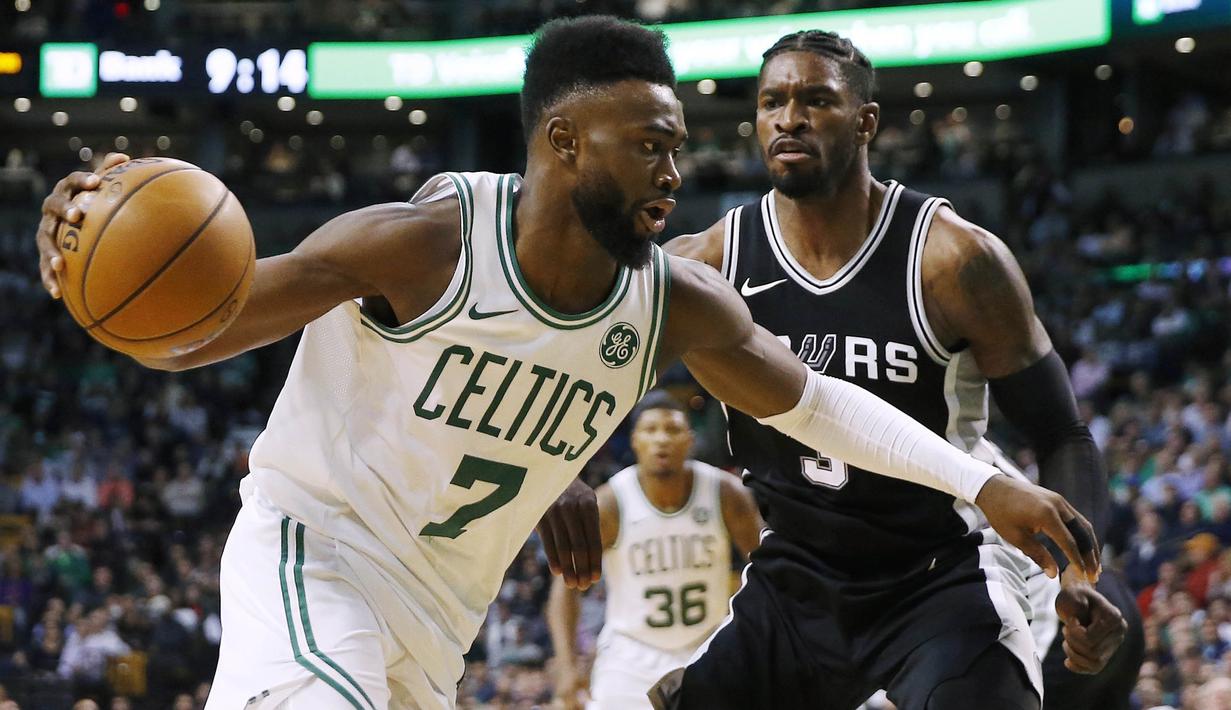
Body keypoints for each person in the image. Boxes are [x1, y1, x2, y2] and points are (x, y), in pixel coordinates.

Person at [35, 17, 1097, 710]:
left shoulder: (673, 298)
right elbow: (203, 327)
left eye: (678, 145)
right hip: (319, 556)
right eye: (650, 145)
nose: (675, 170)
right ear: (564, 142)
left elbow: (817, 403)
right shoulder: (427, 241)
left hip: (436, 620)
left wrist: (981, 483)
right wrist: (91, 280)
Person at [656, 30, 1139, 710]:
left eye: (816, 100)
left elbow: (1061, 433)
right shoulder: (707, 262)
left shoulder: (954, 259)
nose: (789, 118)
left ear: (866, 122)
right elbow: (591, 366)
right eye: (772, 102)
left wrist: (1077, 577)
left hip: (938, 574)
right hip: (795, 579)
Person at [546, 392, 762, 709]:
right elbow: (564, 590)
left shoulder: (725, 493)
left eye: (672, 429)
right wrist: (567, 665)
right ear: (635, 440)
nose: (661, 439)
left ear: (690, 439)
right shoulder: (610, 502)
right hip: (630, 656)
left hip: (710, 646)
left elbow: (766, 569)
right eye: (651, 430)